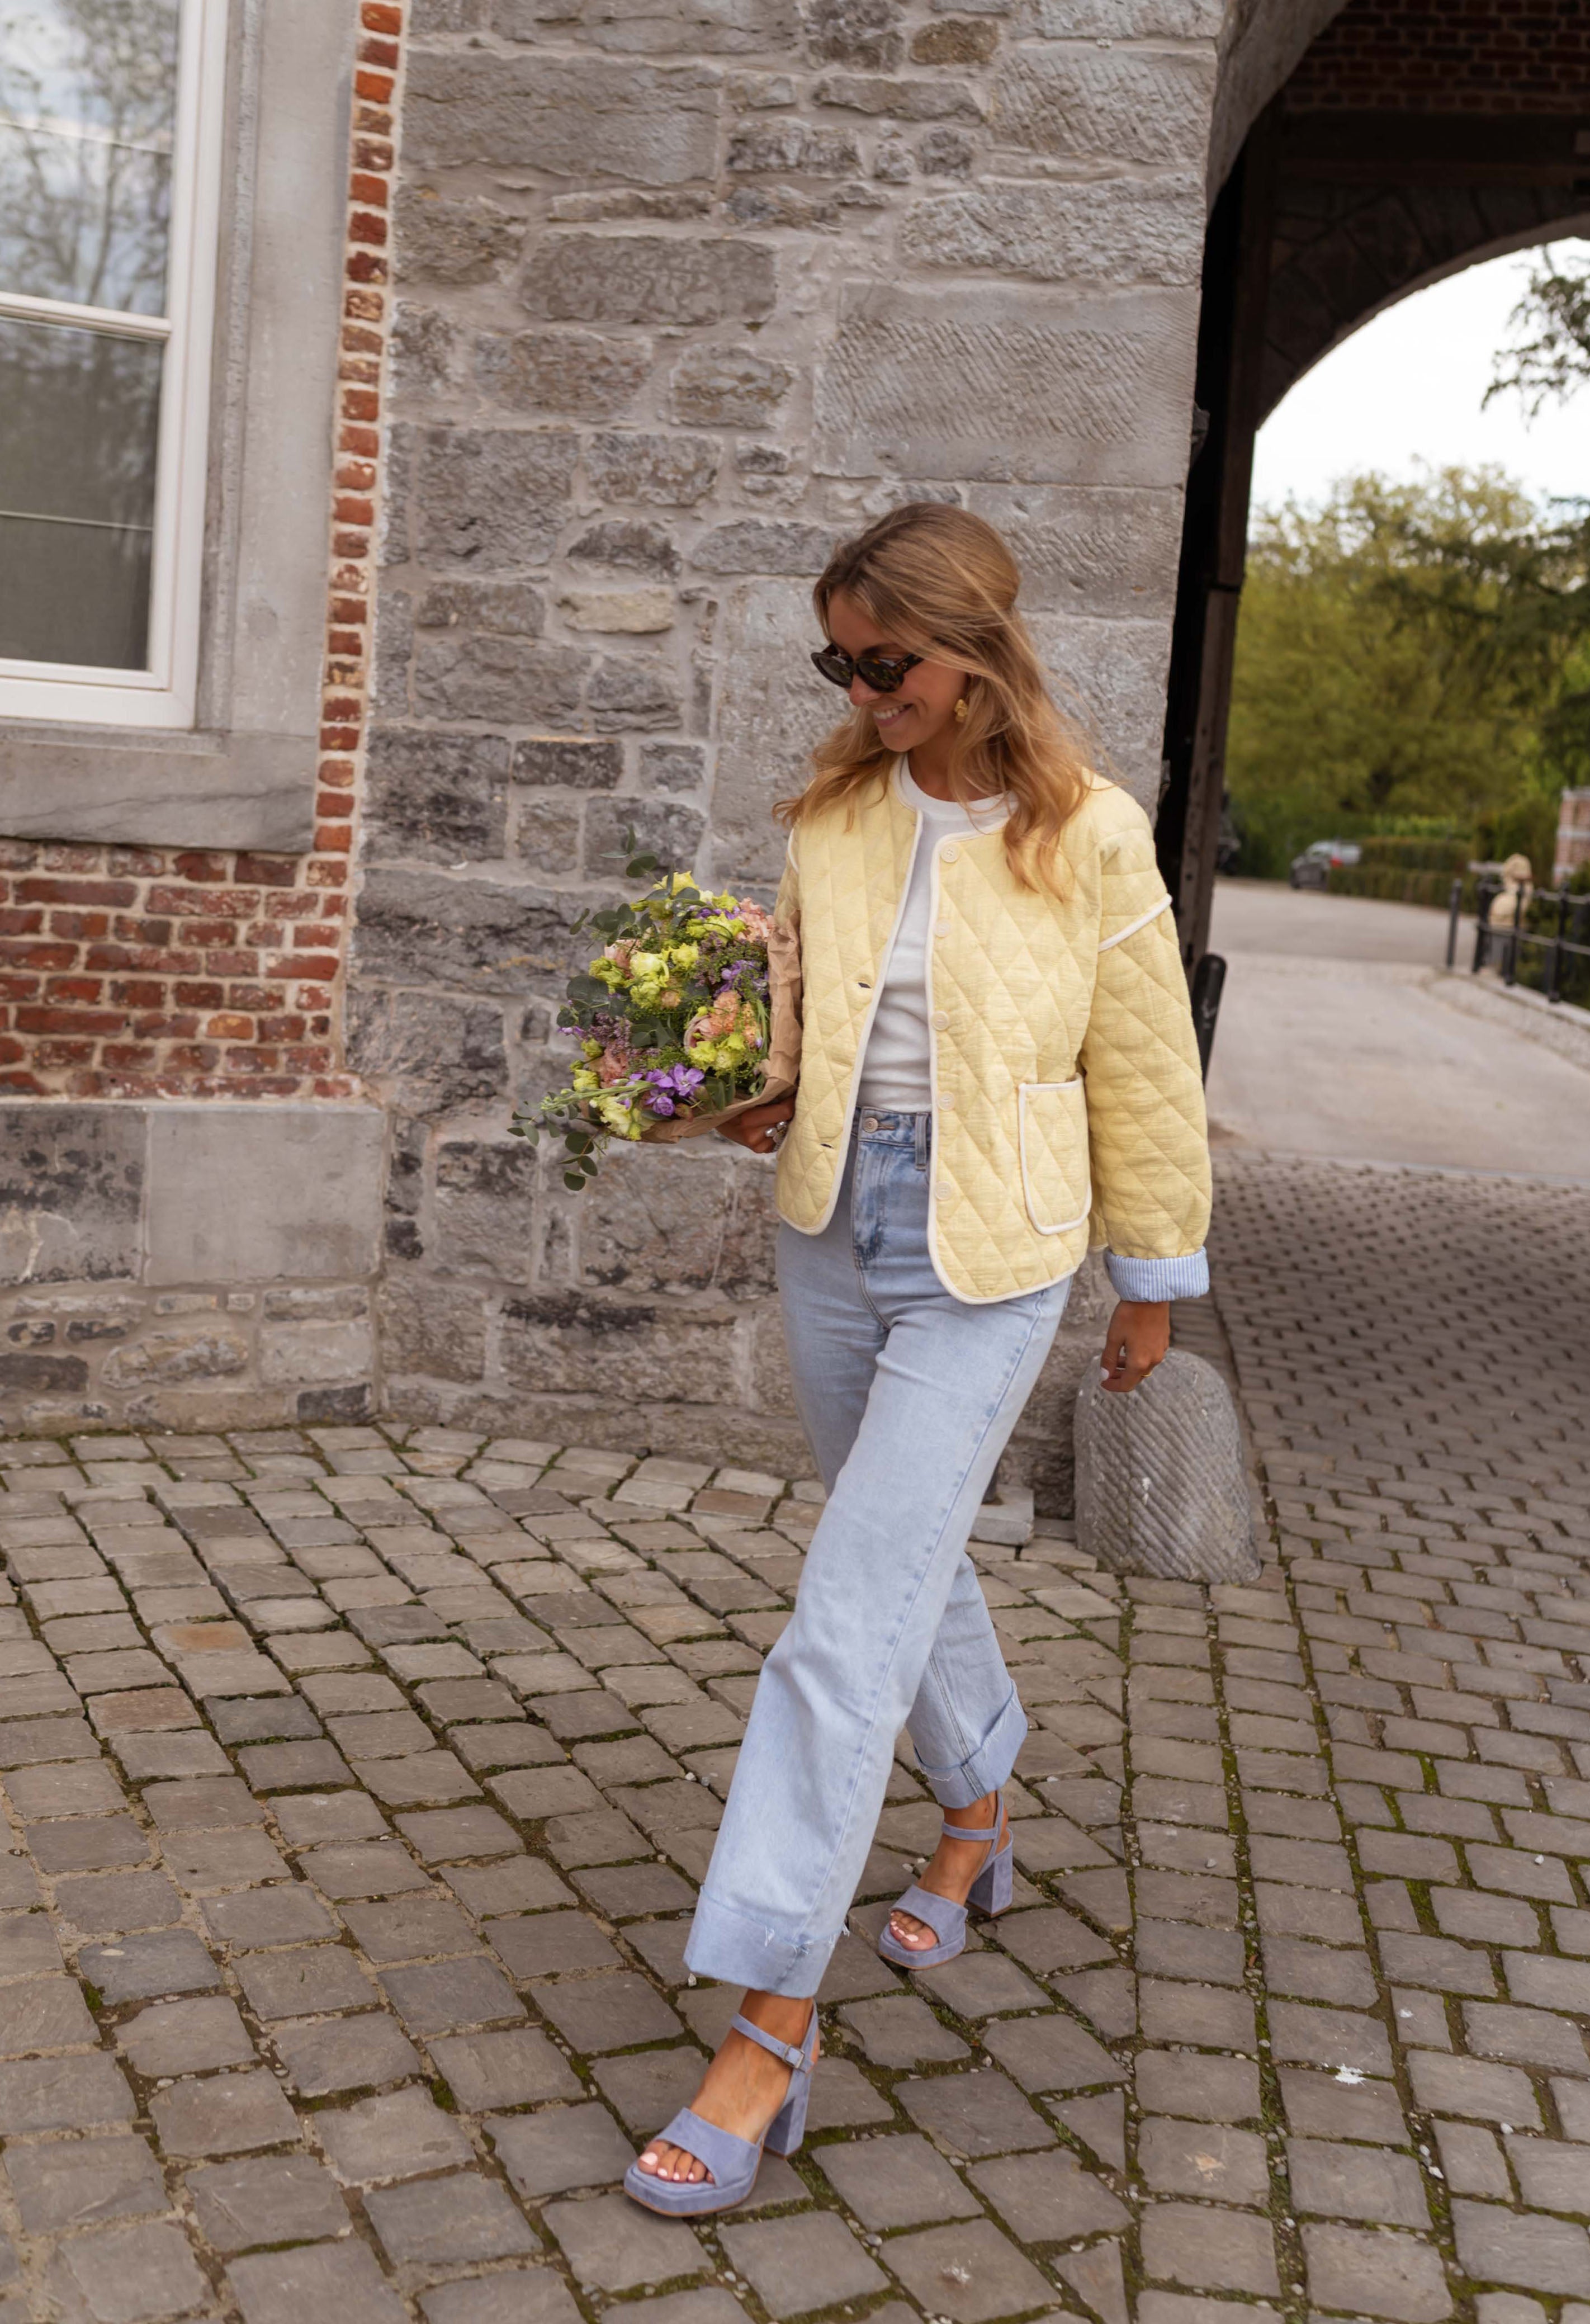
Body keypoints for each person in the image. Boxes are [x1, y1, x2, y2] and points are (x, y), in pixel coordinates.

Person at [624, 502, 1212, 2216]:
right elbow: (807, 1015)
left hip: (993, 1251)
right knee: (901, 1555)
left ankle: (767, 2019)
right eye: (839, 660)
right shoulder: (836, 812)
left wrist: (1151, 1280)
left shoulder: (1088, 835)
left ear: (974, 650)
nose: (860, 689)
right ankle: (977, 1811)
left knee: (841, 1617)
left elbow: (1145, 1066)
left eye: (885, 660)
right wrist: (742, 1088)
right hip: (832, 1224)